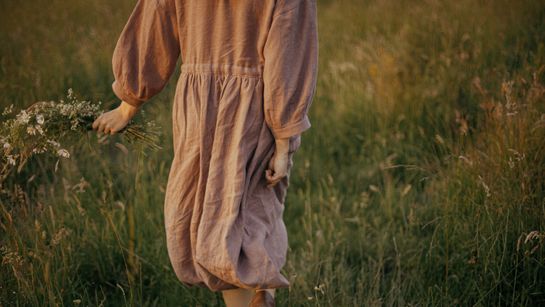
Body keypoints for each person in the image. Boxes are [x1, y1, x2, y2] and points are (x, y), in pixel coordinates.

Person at [92, 0, 318, 306]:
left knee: (214, 212)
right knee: (254, 206)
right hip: (255, 106)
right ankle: (262, 288)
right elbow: (287, 50)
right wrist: (283, 141)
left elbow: (156, 18)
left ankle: (251, 293)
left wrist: (128, 104)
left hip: (199, 107)